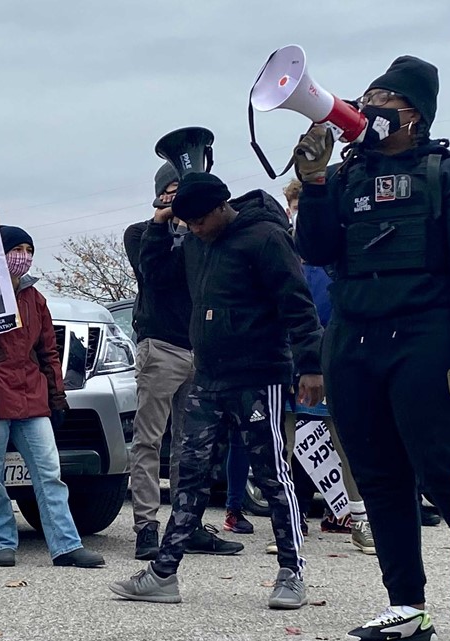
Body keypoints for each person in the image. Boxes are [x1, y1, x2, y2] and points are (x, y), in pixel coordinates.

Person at [293, 56, 450, 641]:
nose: (368, 105)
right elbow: (316, 248)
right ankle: (407, 605)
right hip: (353, 340)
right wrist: (316, 182)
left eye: (385, 98)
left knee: (446, 472)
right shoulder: (349, 176)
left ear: (414, 114)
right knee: (379, 477)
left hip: (425, 341)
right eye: (368, 94)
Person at [110, 172, 324, 609]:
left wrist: (311, 366)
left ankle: (292, 573)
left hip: (258, 374)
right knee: (188, 473)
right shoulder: (194, 243)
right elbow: (154, 274)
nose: (194, 230)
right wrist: (157, 223)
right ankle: (163, 574)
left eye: (199, 222)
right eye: (186, 223)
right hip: (208, 376)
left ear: (220, 208)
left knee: (271, 475)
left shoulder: (265, 238)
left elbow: (296, 302)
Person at [0, 225, 105, 569]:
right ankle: (2, 542)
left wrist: (57, 396)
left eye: (27, 249)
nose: (23, 256)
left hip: (32, 397)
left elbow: (48, 350)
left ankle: (65, 545)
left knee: (49, 472)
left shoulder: (35, 298)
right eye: (15, 248)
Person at [122, 163, 247, 560]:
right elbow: (157, 275)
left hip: (199, 347)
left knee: (193, 445)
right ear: (159, 194)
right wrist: (168, 223)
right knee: (149, 439)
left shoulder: (203, 235)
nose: (178, 198)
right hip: (160, 346)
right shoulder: (141, 232)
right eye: (172, 190)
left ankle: (187, 524)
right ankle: (146, 525)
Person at [284, 178, 376, 555]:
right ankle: (287, 524)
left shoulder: (334, 249)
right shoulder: (281, 249)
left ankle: (360, 520)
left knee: (345, 439)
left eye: (305, 207)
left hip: (332, 354)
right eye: (294, 206)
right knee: (282, 441)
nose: (299, 213)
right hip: (288, 357)